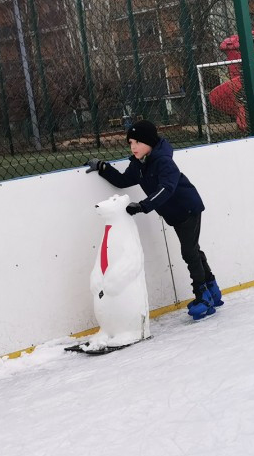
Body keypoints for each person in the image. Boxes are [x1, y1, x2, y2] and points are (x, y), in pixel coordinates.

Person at [86, 120, 222, 321]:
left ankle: (204, 298)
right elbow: (123, 181)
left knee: (189, 252)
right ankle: (212, 290)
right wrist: (103, 167)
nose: (133, 147)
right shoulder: (139, 165)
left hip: (188, 207)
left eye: (138, 142)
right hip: (175, 213)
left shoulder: (163, 161)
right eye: (131, 142)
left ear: (149, 142)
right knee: (193, 249)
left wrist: (143, 205)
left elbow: (167, 188)